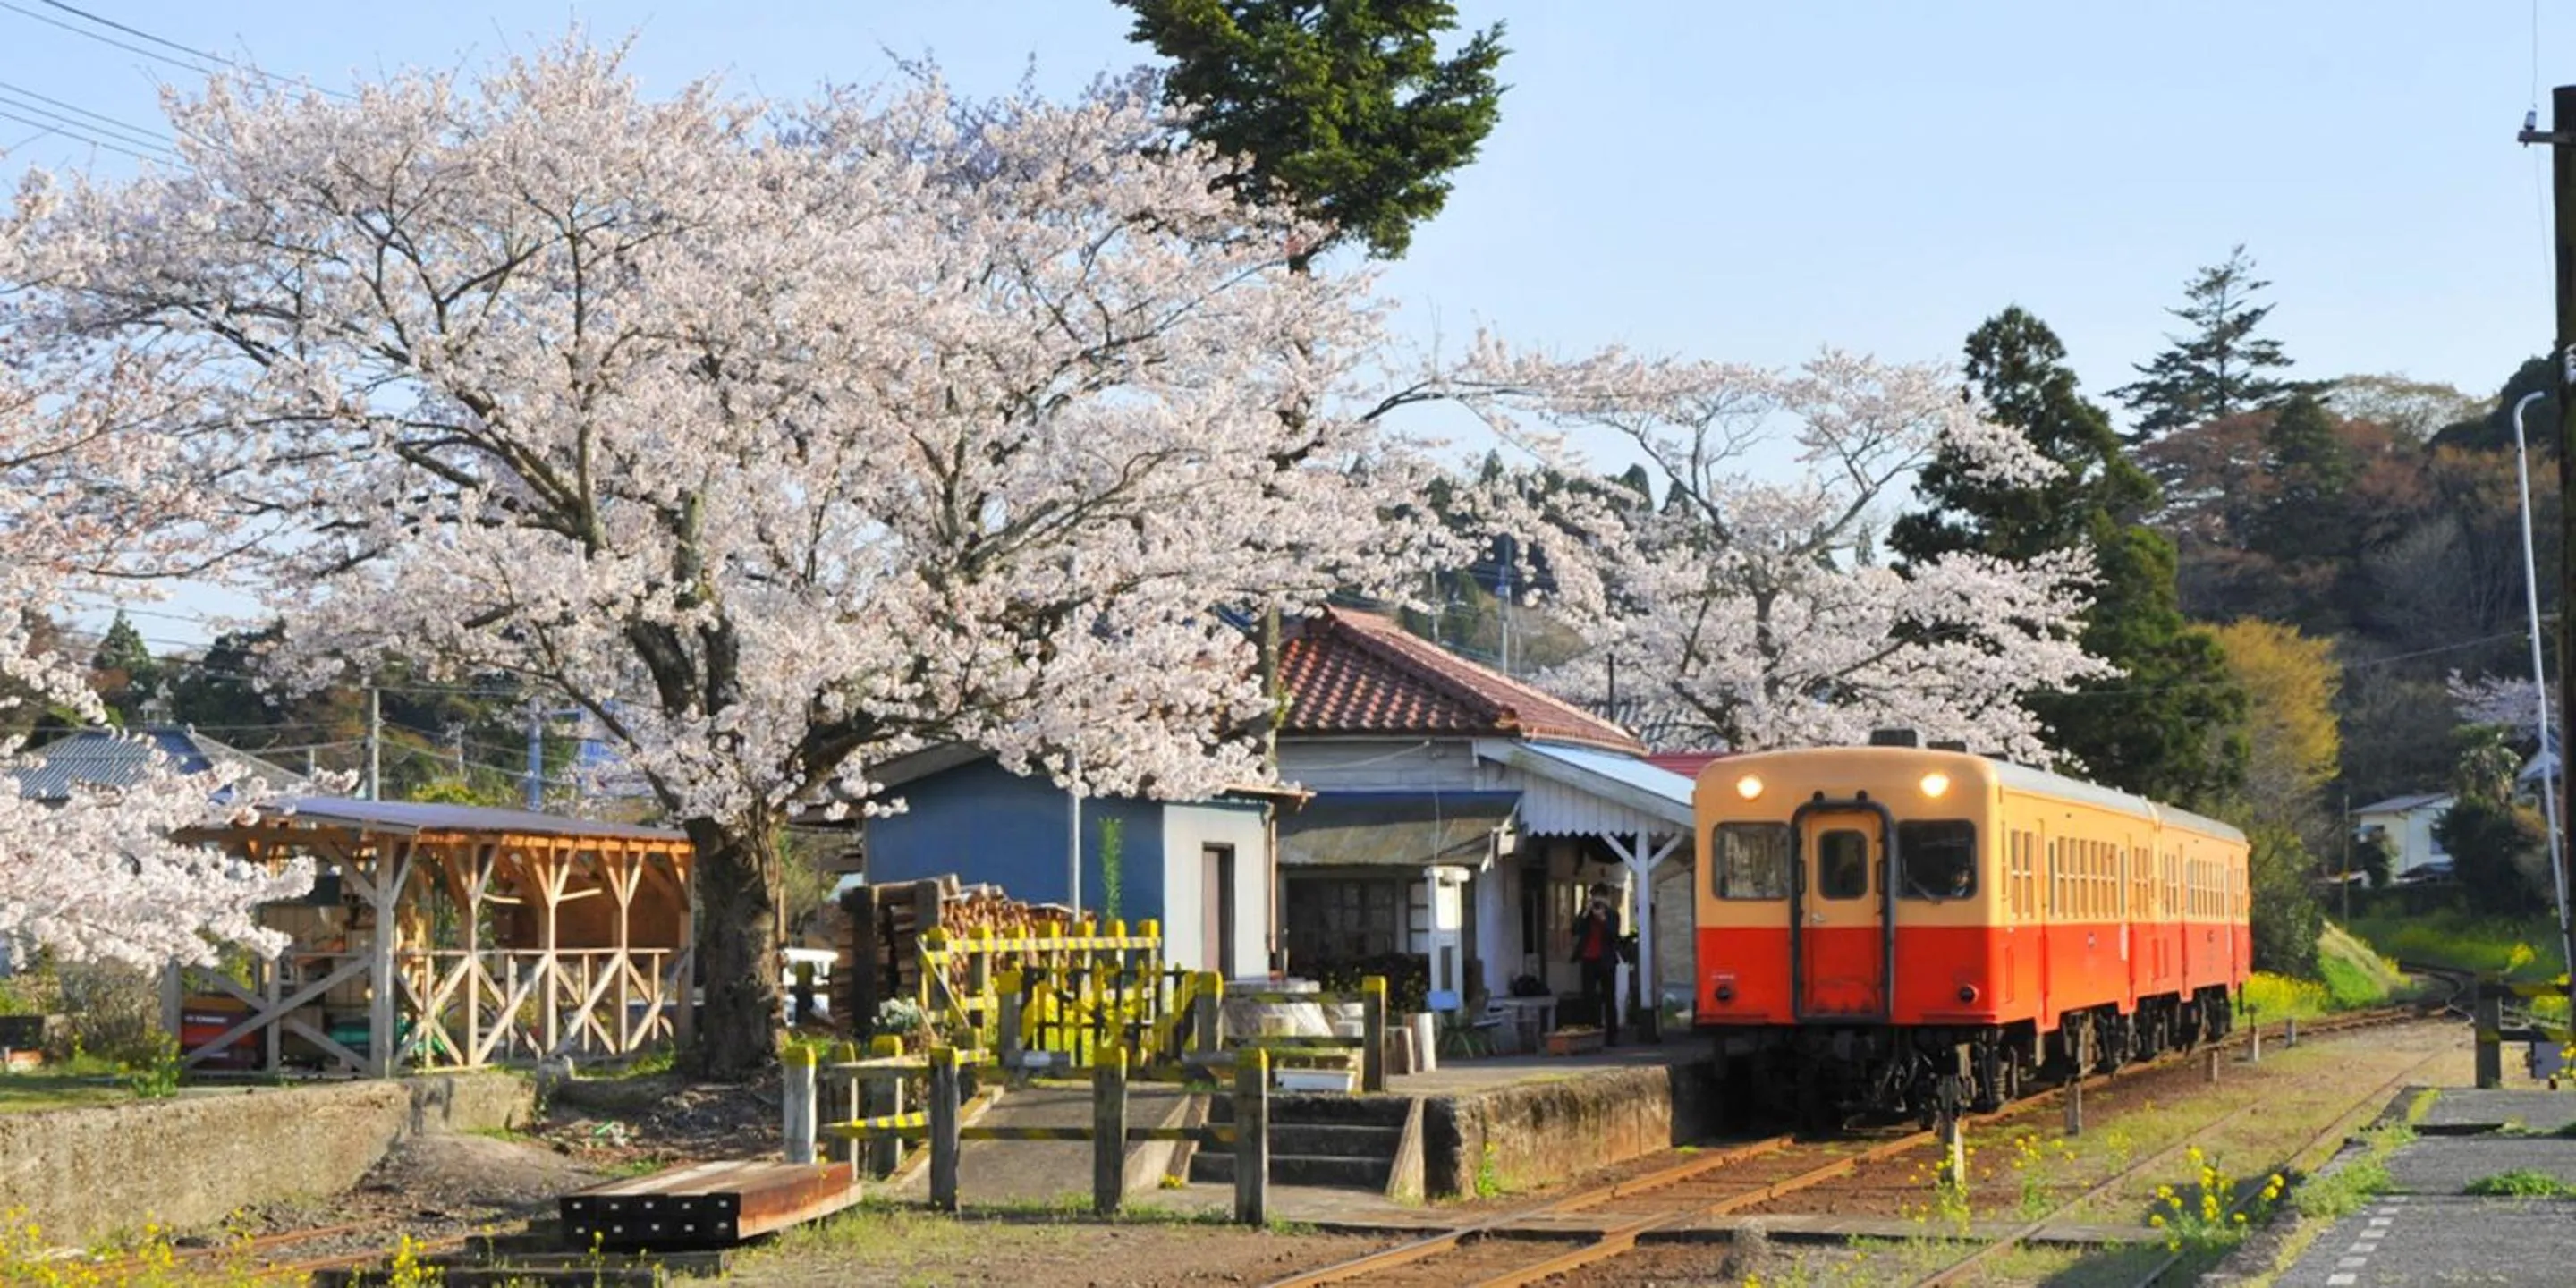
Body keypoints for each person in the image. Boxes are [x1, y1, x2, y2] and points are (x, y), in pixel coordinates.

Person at [1570, 884, 1621, 1046]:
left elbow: (1613, 936)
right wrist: (1585, 912)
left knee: (1609, 998)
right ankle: (1592, 1031)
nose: (1596, 903)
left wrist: (1602, 918)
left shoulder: (1613, 915)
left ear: (1606, 899)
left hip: (1606, 961)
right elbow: (1575, 930)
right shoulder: (1586, 916)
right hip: (1588, 959)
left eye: (1599, 899)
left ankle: (1611, 1036)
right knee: (1589, 997)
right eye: (1594, 898)